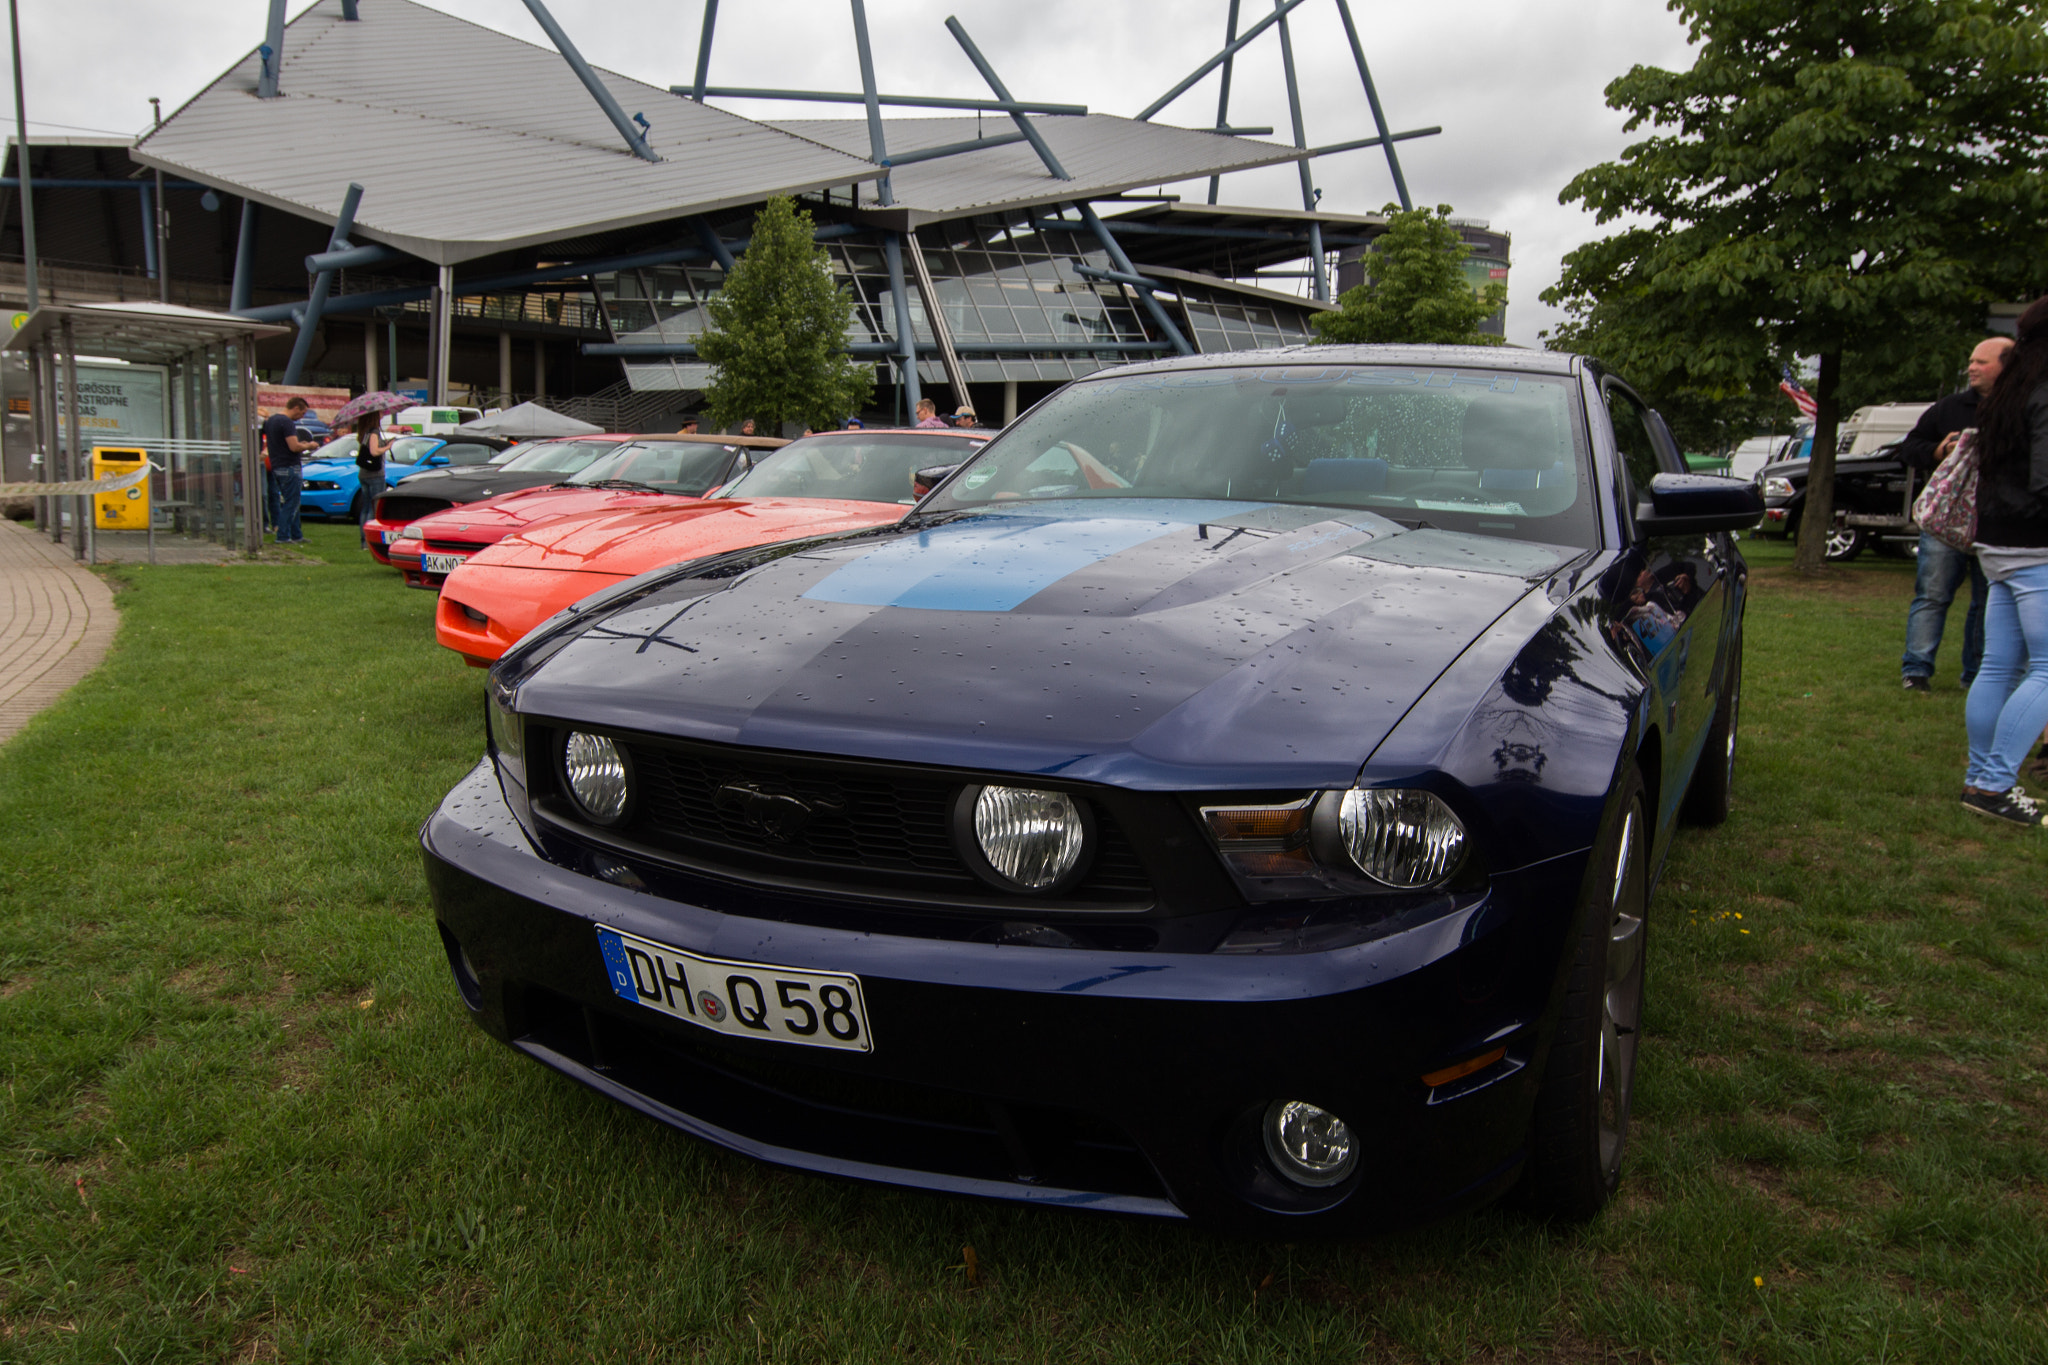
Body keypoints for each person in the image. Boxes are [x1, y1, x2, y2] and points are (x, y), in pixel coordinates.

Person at [1960, 298, 2048, 827]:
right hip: (2036, 544)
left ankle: (1980, 779)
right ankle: (1993, 785)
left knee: (1998, 664)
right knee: (2044, 668)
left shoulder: (2007, 391)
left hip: (1996, 541)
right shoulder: (2042, 391)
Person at [1900, 336, 2012, 691]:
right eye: (1971, 361)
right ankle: (1916, 670)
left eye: (1982, 362)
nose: (1972, 368)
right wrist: (1938, 450)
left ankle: (1975, 675)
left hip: (1995, 520)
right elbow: (1909, 447)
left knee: (1987, 601)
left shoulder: (2021, 408)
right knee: (1932, 594)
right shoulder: (1949, 408)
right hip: (1944, 522)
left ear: (2006, 367)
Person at [262, 397, 314, 544]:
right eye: (302, 413)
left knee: (291, 501)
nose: (302, 417)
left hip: (277, 465)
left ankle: (296, 534)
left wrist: (300, 444)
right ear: (295, 408)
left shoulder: (271, 420)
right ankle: (283, 535)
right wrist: (309, 445)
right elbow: (293, 447)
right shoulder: (286, 422)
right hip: (289, 466)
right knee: (291, 502)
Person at [352, 413, 391, 549]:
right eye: (380, 414)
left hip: (364, 473)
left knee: (366, 507)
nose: (382, 415)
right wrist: (387, 447)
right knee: (373, 508)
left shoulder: (364, 432)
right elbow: (374, 452)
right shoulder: (374, 432)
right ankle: (369, 540)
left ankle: (364, 540)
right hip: (375, 474)